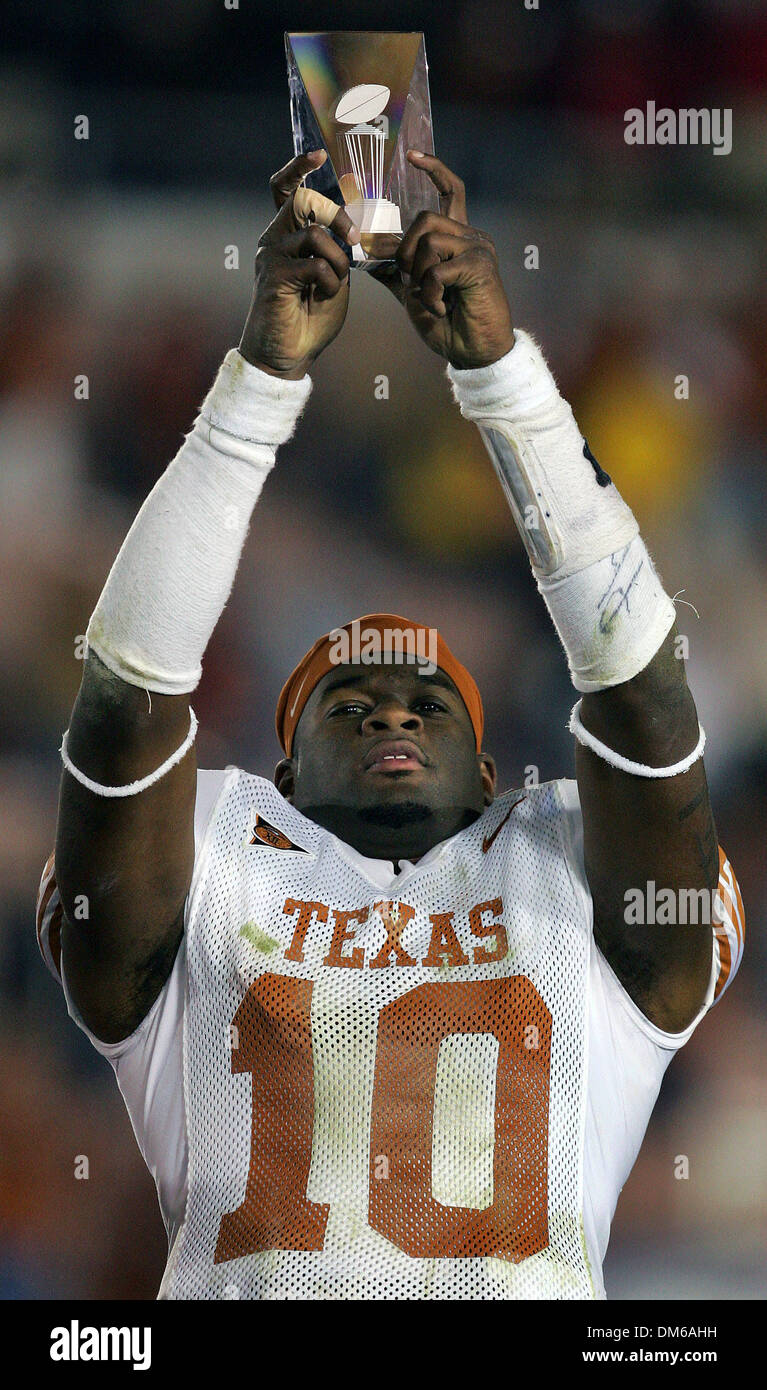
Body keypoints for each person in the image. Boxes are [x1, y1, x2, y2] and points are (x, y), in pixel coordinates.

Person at [37, 149, 744, 1300]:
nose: (390, 709)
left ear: (489, 768)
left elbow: (644, 701)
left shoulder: (567, 852)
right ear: (279, 770)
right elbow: (124, 705)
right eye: (347, 701)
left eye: (426, 701)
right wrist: (257, 383)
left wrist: (502, 379)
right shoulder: (214, 849)